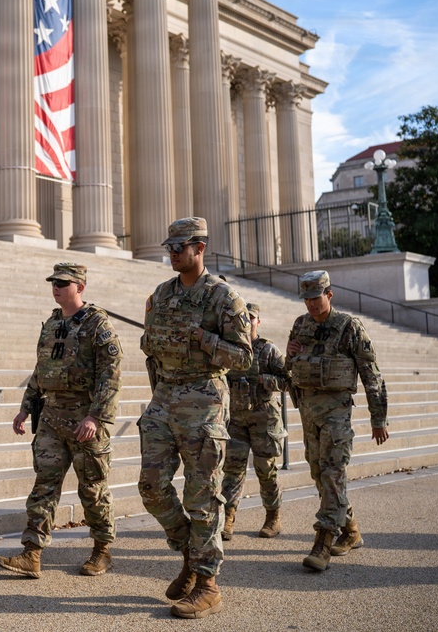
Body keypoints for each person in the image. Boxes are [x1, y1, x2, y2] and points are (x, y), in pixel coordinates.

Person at [138, 217, 253, 619]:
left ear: (199, 248)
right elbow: (149, 342)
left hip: (203, 400)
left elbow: (243, 357)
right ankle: (189, 549)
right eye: (168, 247)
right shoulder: (161, 294)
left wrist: (204, 339)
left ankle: (207, 583)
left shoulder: (224, 298)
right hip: (164, 396)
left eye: (179, 247)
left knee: (202, 495)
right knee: (150, 486)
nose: (171, 254)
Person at [0, 263, 123, 579]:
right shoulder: (52, 324)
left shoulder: (97, 325)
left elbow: (111, 372)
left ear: (80, 287)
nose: (56, 287)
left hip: (84, 419)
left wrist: (96, 415)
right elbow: (41, 369)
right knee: (44, 485)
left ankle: (102, 550)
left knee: (92, 489)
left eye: (63, 283)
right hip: (51, 416)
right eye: (54, 282)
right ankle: (31, 553)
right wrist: (26, 409)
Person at [286, 270, 389, 572]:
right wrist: (289, 356)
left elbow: (372, 374)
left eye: (315, 298)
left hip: (336, 414)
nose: (311, 305)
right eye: (306, 299)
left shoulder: (349, 328)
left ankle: (323, 543)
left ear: (329, 295)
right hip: (308, 415)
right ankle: (351, 530)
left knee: (332, 473)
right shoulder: (300, 325)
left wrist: (378, 418)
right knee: (321, 476)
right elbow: (289, 370)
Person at [220, 302, 290, 541]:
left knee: (266, 470)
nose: (247, 322)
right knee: (232, 470)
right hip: (237, 420)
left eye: (251, 318)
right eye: (243, 318)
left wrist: (264, 380)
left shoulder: (268, 349)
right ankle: (228, 517)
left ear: (258, 321)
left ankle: (273, 516)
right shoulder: (230, 349)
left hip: (263, 418)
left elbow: (288, 380)